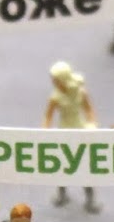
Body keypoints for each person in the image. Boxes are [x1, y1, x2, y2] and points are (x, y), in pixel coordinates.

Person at [43, 62, 103, 209]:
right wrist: (44, 132)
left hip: (80, 130)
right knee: (62, 163)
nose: (53, 82)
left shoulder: (81, 92)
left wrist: (93, 124)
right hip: (64, 131)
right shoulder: (55, 97)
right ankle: (62, 193)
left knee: (84, 164)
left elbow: (89, 110)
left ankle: (90, 198)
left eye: (55, 80)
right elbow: (48, 116)